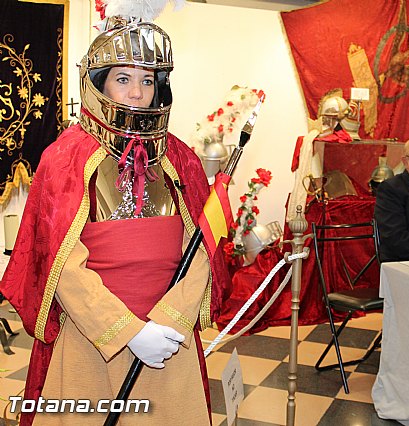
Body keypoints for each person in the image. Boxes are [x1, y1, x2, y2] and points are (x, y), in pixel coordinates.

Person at [0, 16, 227, 425]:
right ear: (100, 82)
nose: (138, 94)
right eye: (123, 79)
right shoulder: (64, 158)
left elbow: (201, 251)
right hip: (92, 341)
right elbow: (60, 263)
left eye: (148, 80)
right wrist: (127, 332)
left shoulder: (180, 159)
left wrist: (168, 322)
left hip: (168, 343)